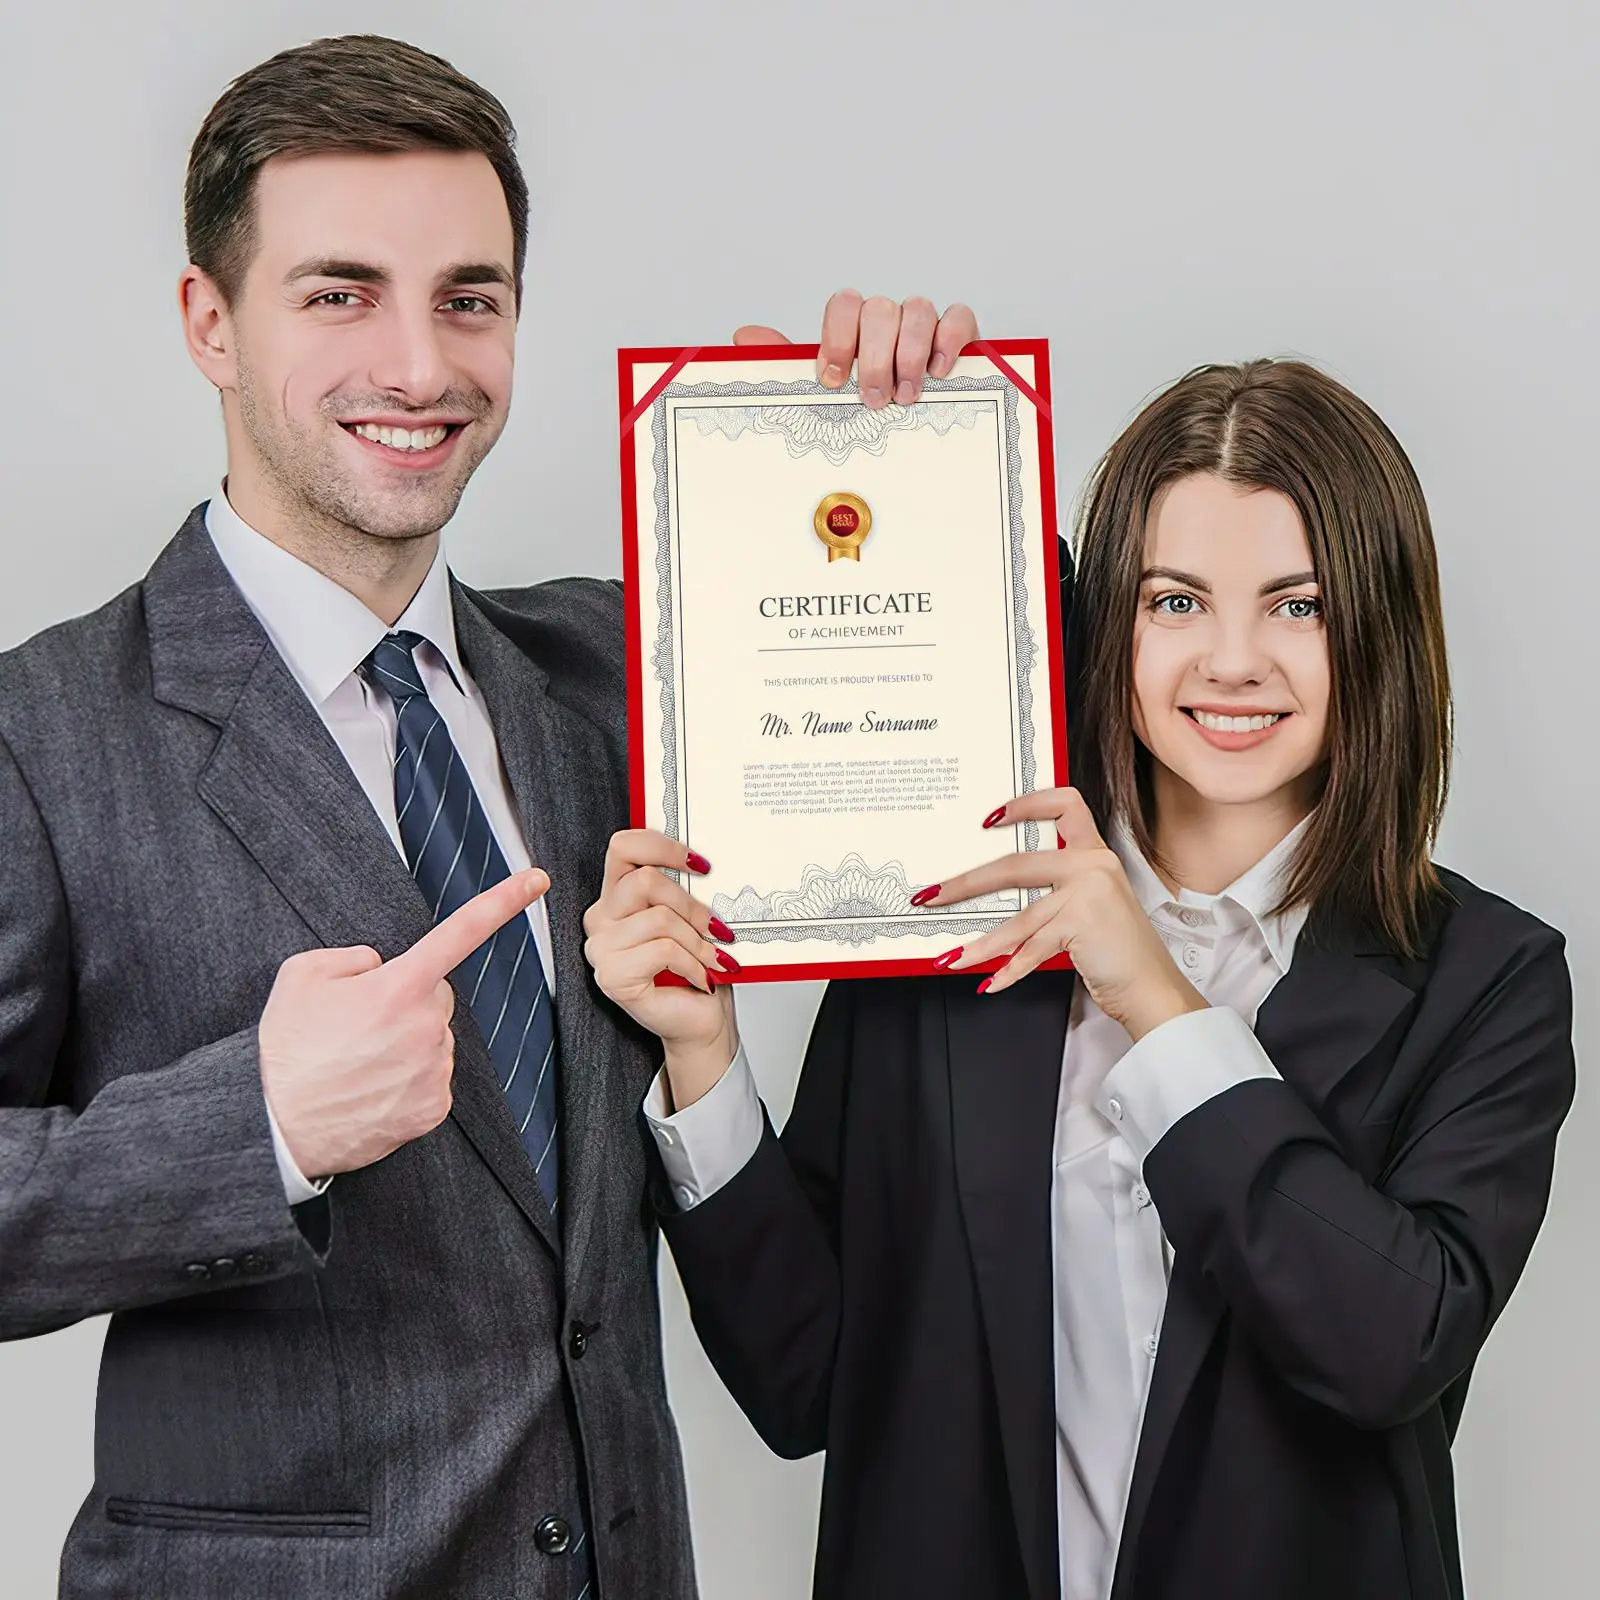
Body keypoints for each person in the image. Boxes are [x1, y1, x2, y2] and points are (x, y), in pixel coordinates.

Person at [0, 30, 975, 1599]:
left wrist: (895, 447)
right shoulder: (42, 736)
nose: (420, 367)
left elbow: (1047, 678)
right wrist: (256, 1127)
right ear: (210, 321)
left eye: (470, 298)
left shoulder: (622, 669)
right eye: (340, 296)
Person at [583, 357, 1578, 1600]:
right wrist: (702, 1055)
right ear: (1112, 619)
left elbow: (1387, 1345)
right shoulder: (953, 921)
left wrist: (1152, 996)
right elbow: (808, 1381)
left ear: (1376, 627)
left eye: (1297, 604)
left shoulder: (1488, 981)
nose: (1231, 660)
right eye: (1175, 601)